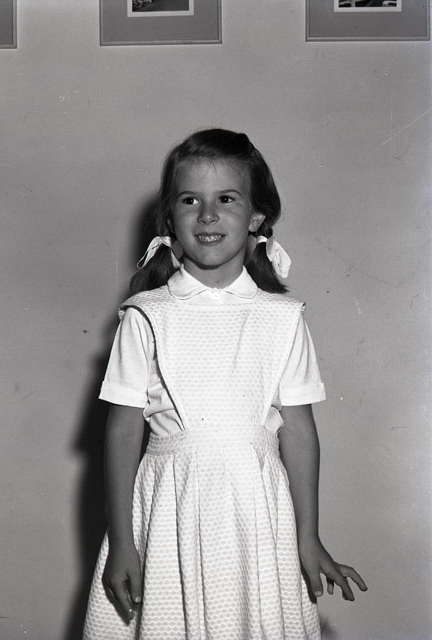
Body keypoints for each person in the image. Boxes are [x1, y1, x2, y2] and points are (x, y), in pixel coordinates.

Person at [83, 129, 367, 640]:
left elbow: (299, 433)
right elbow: (122, 431)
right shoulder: (146, 316)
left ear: (256, 217)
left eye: (227, 199)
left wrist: (308, 536)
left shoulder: (283, 317)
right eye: (190, 200)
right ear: (170, 219)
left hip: (257, 513)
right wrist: (123, 540)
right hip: (169, 511)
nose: (207, 215)